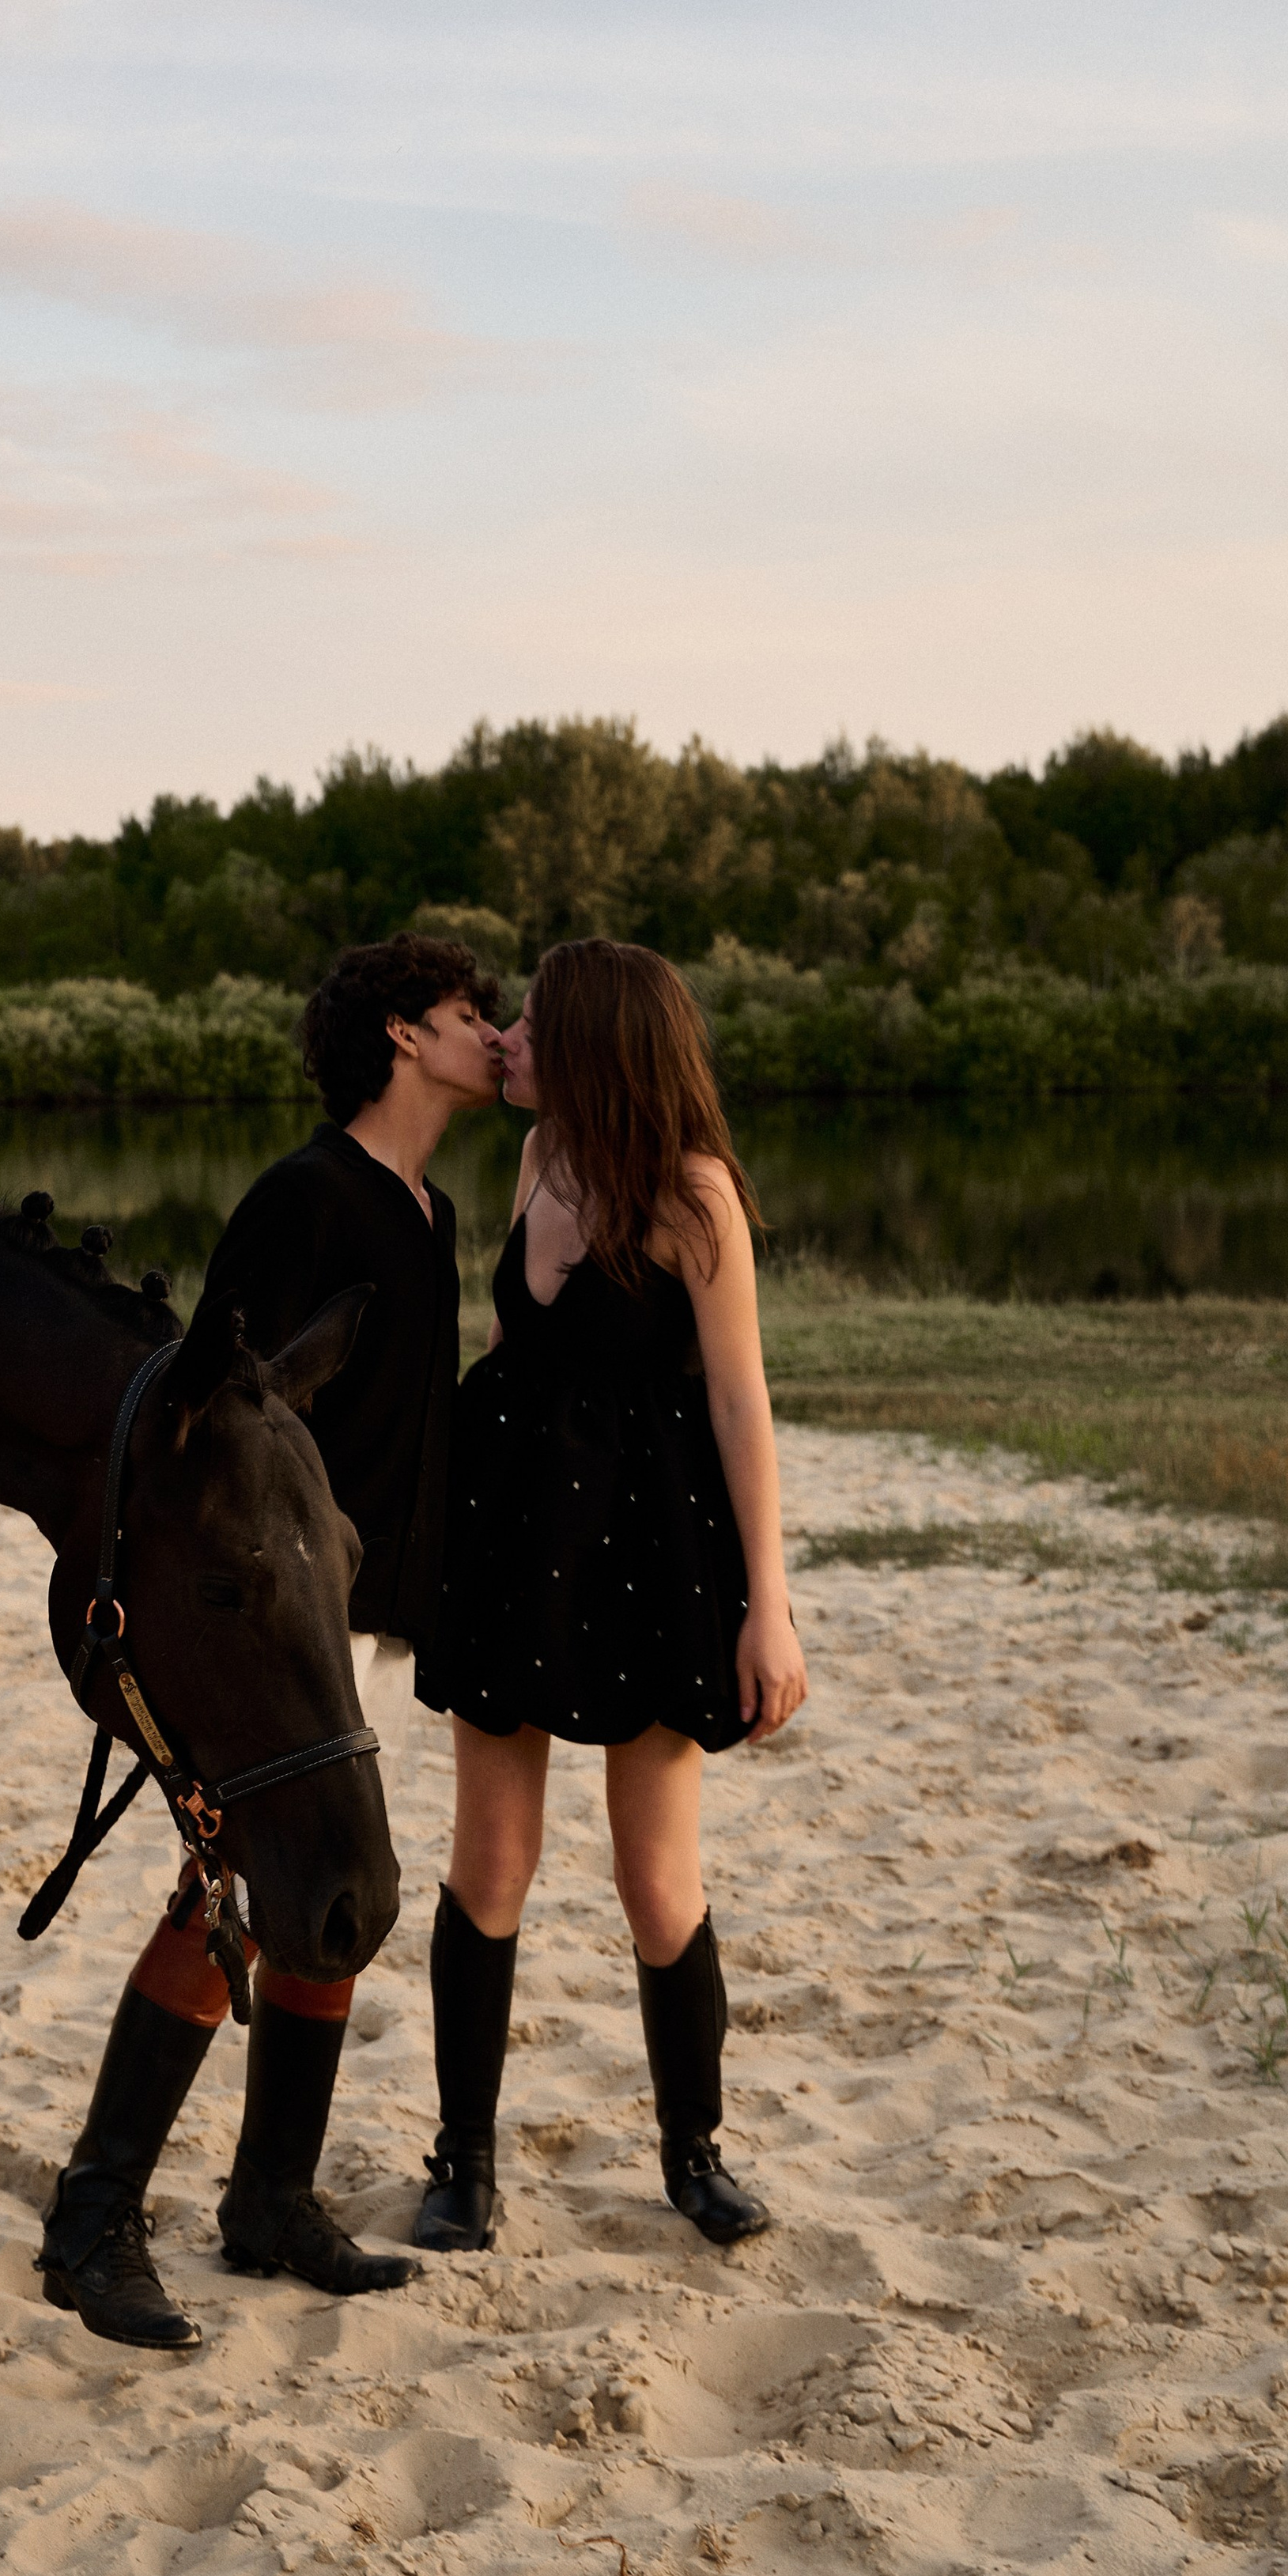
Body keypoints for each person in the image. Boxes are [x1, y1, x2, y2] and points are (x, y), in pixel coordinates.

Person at [38, 932, 503, 2351]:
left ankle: (271, 2200)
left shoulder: (425, 1213)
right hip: (269, 1613)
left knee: (332, 1885)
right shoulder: (305, 1197)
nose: (496, 1033)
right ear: (403, 1037)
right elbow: (205, 1403)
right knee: (226, 1893)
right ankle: (94, 2219)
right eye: (473, 1014)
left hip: (358, 1601)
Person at [410, 937, 807, 2257]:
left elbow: (742, 1405)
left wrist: (771, 1604)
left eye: (531, 1018)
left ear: (598, 1043)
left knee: (657, 1880)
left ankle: (694, 2155)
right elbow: (504, 1361)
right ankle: (462, 2161)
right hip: (515, 1543)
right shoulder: (537, 1161)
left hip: (654, 1557)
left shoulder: (697, 1197)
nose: (510, 1036)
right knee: (491, 1861)